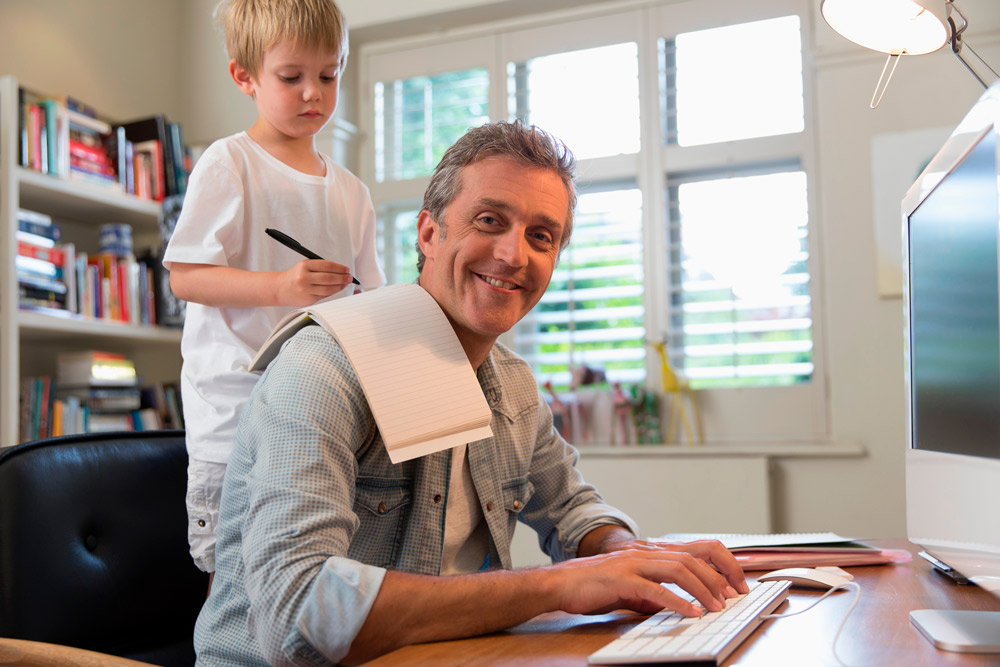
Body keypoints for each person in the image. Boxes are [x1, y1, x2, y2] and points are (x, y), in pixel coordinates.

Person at [193, 121, 747, 666]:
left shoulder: (512, 383)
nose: (513, 255)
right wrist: (556, 586)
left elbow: (571, 508)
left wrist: (625, 555)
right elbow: (298, 614)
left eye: (541, 236)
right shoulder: (322, 369)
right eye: (490, 220)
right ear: (429, 234)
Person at [162, 0, 385, 576]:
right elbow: (185, 275)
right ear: (245, 77)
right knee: (234, 576)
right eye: (292, 77)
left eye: (329, 75)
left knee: (310, 568)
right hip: (233, 411)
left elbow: (370, 301)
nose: (314, 92)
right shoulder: (228, 163)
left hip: (320, 416)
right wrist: (281, 286)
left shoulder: (352, 194)